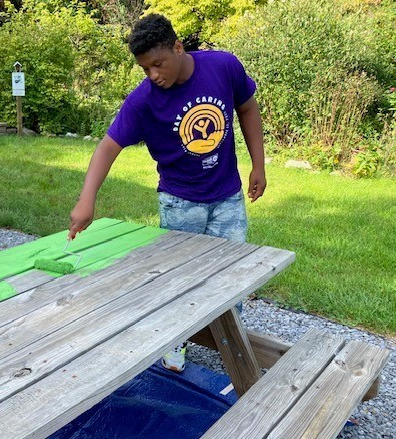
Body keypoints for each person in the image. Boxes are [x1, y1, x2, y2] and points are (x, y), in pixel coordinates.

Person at [68, 14, 266, 373]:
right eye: (145, 69)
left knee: (232, 273)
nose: (153, 75)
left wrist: (259, 165)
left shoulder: (223, 67)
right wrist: (87, 199)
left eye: (157, 64)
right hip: (180, 202)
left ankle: (227, 341)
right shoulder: (144, 100)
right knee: (178, 278)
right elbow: (107, 148)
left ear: (178, 47)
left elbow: (248, 108)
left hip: (227, 197)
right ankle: (175, 342)